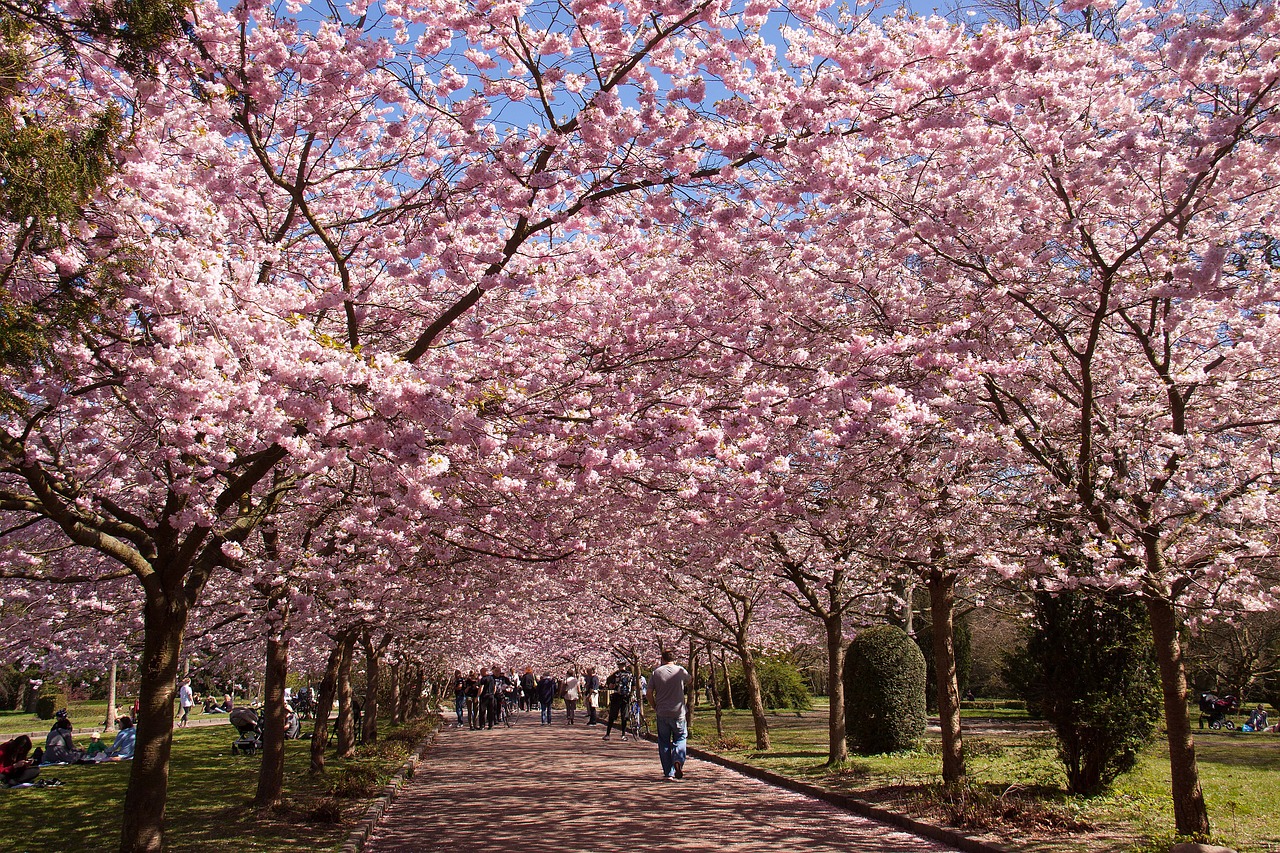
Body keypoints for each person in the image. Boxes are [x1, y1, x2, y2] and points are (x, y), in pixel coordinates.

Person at [650, 650, 691, 781]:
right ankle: (678, 760)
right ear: (674, 659)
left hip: (662, 711)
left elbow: (648, 692)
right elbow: (690, 680)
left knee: (664, 742)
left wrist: (654, 705)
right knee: (681, 737)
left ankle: (669, 772)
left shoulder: (656, 672)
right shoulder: (680, 670)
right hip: (678, 712)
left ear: (662, 658)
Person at [602, 663, 633, 741]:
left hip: (616, 697)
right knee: (624, 716)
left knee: (612, 715)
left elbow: (611, 686)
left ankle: (608, 734)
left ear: (618, 666)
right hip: (626, 697)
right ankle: (623, 734)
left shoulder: (615, 674)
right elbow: (634, 686)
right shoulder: (630, 674)